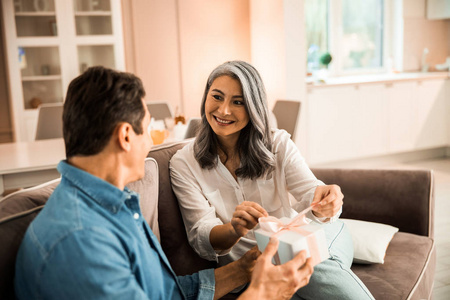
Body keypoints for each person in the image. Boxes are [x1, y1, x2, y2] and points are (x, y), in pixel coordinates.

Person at [14, 66, 313, 300]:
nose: (152, 141)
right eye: (149, 127)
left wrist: (239, 272)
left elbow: (161, 292)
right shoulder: (82, 242)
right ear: (126, 136)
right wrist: (262, 295)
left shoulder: (114, 204)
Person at [169, 61, 375, 299]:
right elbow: (202, 236)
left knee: (307, 259)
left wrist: (327, 200)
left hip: (302, 239)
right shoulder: (183, 163)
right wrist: (234, 229)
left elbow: (312, 192)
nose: (223, 110)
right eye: (216, 97)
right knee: (306, 269)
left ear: (254, 107)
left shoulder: (278, 144)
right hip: (255, 266)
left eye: (238, 102)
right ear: (206, 97)